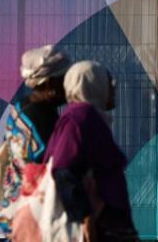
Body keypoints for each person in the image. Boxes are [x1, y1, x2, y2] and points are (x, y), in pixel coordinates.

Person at [45, 61, 138, 242]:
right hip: (101, 223)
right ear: (93, 85)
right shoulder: (80, 117)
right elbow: (64, 168)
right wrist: (84, 218)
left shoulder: (89, 117)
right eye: (108, 81)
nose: (113, 88)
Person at [0, 45, 72, 231]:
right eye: (64, 78)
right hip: (33, 217)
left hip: (14, 208)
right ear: (48, 83)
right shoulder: (43, 118)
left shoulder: (21, 107)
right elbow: (52, 169)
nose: (69, 84)